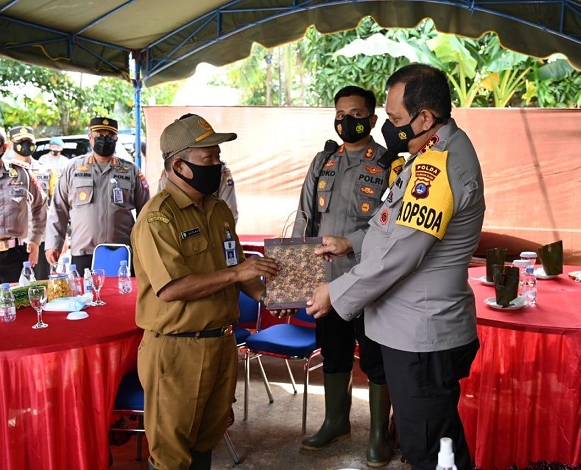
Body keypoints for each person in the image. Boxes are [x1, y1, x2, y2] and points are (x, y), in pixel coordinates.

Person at [306, 64, 485, 470]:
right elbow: (390, 226)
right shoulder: (427, 155)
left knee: (429, 451)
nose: (389, 127)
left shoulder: (438, 167)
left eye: (396, 119)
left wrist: (336, 292)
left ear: (425, 118)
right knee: (435, 441)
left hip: (422, 334)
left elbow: (401, 253)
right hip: (414, 329)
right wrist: (350, 242)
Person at [131, 113, 280, 470]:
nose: (218, 166)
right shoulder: (158, 218)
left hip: (220, 344)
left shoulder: (218, 211)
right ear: (179, 165)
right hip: (178, 349)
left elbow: (240, 269)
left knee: (205, 443)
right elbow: (171, 288)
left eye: (219, 157)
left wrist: (272, 297)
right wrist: (236, 274)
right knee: (172, 455)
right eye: (208, 159)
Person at [291, 85, 403, 467]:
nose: (346, 121)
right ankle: (335, 421)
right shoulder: (323, 162)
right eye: (340, 114)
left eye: (356, 115)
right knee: (334, 354)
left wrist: (351, 242)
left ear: (372, 120)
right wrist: (296, 275)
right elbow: (305, 220)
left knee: (375, 359)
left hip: (371, 281)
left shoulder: (389, 164)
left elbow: (394, 227)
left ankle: (377, 436)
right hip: (328, 283)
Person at [44, 117, 150, 273]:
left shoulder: (130, 170)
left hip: (121, 252)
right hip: (84, 252)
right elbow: (59, 208)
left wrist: (145, 249)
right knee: (84, 297)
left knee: (123, 296)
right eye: (100, 134)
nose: (104, 139)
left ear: (116, 139)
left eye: (109, 136)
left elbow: (146, 212)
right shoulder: (72, 169)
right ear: (90, 137)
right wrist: (54, 243)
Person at [0, 124, 47, 284]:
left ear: (4, 147)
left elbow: (40, 205)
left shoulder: (22, 173)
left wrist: (35, 240)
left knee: (17, 303)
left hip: (16, 254)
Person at [7, 126, 53, 280]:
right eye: (21, 141)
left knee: (41, 286)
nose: (25, 145)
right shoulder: (6, 171)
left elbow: (53, 205)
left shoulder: (46, 170)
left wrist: (60, 238)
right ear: (11, 143)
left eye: (28, 141)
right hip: (16, 241)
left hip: (42, 238)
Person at [158, 161, 239, 222]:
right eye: (209, 156)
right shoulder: (168, 173)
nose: (215, 160)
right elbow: (161, 210)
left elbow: (229, 214)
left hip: (212, 234)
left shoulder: (220, 171)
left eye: (217, 155)